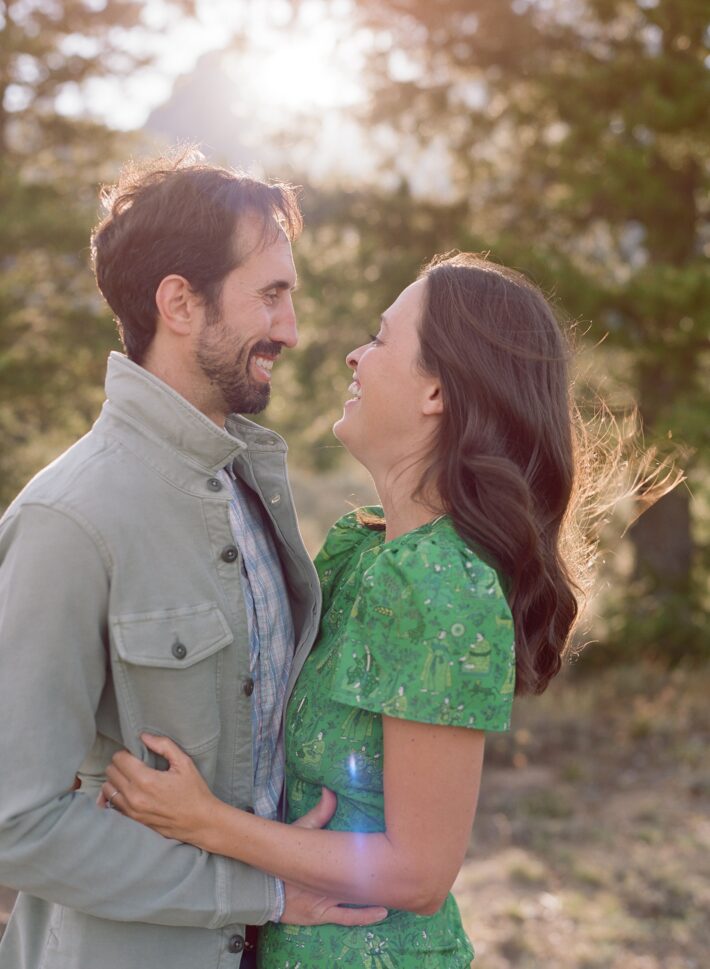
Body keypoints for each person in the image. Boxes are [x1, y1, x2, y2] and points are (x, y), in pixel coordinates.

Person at [99, 251, 587, 968]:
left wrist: (207, 822)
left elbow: (419, 874)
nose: (356, 354)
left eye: (383, 338)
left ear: (436, 394)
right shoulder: (363, 551)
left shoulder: (440, 581)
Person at [0, 152, 387, 969]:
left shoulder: (246, 483)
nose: (290, 329)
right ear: (179, 302)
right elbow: (15, 821)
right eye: (271, 295)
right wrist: (262, 891)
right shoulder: (67, 519)